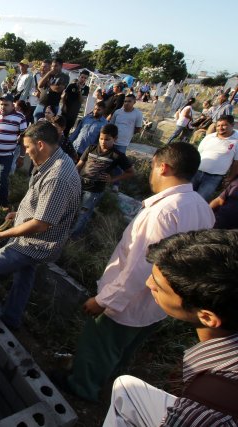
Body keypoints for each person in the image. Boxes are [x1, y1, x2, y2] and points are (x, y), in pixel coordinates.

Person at [60, 143, 215, 402]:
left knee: (99, 346)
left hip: (128, 304)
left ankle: (82, 388)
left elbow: (140, 267)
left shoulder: (163, 213)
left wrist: (104, 301)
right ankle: (110, 382)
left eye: (153, 167)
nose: (151, 174)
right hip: (158, 307)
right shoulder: (201, 207)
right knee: (124, 349)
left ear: (163, 167)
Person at [103, 229, 238, 426]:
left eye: (159, 286)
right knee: (127, 389)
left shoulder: (205, 408)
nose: (149, 283)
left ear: (207, 317)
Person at [0, 121, 81, 329]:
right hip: (38, 238)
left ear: (40, 145)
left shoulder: (57, 177)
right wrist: (19, 213)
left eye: (27, 147)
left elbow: (40, 224)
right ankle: (11, 319)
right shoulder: (56, 162)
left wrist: (0, 236)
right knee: (24, 276)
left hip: (37, 243)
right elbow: (44, 205)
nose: (25, 152)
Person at [71, 124, 135, 236]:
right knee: (71, 209)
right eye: (101, 138)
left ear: (115, 139)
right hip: (79, 184)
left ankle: (74, 237)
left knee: (83, 214)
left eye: (107, 139)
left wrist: (113, 179)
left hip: (94, 190)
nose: (103, 142)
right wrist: (72, 177)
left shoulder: (117, 155)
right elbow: (79, 165)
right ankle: (65, 231)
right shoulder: (91, 148)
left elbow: (131, 172)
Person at [191, 114, 238, 201]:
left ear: (232, 125)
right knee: (185, 195)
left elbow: (236, 162)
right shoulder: (209, 137)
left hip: (213, 178)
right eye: (218, 125)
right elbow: (199, 152)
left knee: (200, 200)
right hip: (196, 172)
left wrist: (230, 178)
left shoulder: (236, 141)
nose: (220, 128)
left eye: (224, 125)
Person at [61, 70, 89, 138]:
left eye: (85, 78)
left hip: (74, 111)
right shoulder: (71, 85)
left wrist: (79, 90)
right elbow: (64, 96)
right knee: (61, 126)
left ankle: (64, 143)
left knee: (68, 129)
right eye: (82, 77)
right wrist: (64, 105)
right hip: (66, 109)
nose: (83, 79)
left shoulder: (86, 88)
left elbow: (82, 100)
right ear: (79, 76)